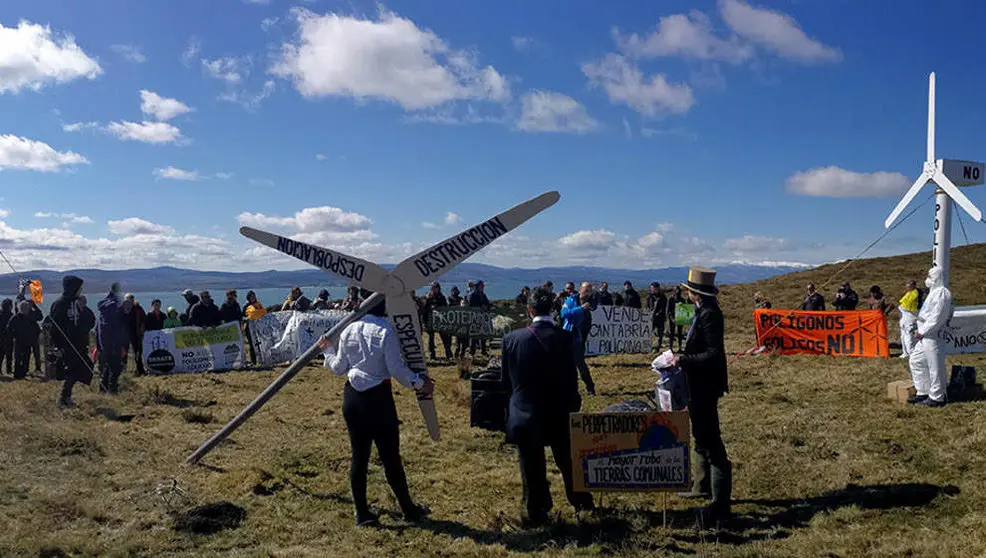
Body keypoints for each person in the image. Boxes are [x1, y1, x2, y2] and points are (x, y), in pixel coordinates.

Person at [317, 296, 435, 527]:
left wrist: (327, 352)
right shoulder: (386, 331)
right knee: (390, 456)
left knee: (359, 456)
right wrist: (420, 383)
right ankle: (408, 510)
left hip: (352, 397)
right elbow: (396, 369)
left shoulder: (349, 329)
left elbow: (339, 368)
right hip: (378, 399)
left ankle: (362, 513)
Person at [501, 287, 595, 526]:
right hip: (560, 412)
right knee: (568, 462)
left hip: (525, 413)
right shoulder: (565, 338)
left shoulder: (512, 339)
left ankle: (536, 510)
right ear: (553, 310)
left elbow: (506, 382)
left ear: (529, 309)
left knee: (531, 468)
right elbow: (571, 378)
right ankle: (582, 504)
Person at [671, 267, 731, 524]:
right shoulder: (702, 312)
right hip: (697, 385)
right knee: (699, 433)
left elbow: (713, 354)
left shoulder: (709, 315)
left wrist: (683, 360)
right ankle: (701, 484)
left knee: (712, 439)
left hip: (705, 385)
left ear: (694, 292)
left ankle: (720, 502)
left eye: (689, 290)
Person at [908, 267, 954, 408]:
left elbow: (936, 318)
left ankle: (937, 397)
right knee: (916, 360)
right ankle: (923, 391)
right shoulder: (933, 292)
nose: (927, 278)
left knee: (935, 366)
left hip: (932, 335)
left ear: (936, 277)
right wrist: (920, 329)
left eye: (929, 275)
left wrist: (923, 331)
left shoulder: (941, 293)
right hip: (924, 334)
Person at [49, 276, 96, 408]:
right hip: (66, 345)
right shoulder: (60, 304)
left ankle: (66, 397)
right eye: (79, 288)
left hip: (79, 344)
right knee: (72, 370)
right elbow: (55, 327)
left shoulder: (75, 303)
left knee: (83, 368)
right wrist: (58, 346)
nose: (81, 290)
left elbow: (83, 321)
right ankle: (63, 399)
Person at [561, 282, 596, 395]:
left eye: (590, 291)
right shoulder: (571, 300)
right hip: (568, 334)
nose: (588, 293)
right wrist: (580, 308)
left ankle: (590, 387)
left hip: (578, 336)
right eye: (586, 290)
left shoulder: (590, 302)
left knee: (580, 363)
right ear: (580, 290)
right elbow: (564, 313)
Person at [97, 283, 128, 394]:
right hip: (112, 341)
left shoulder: (106, 305)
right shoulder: (113, 306)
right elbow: (114, 326)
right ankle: (112, 390)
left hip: (106, 341)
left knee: (109, 365)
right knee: (116, 367)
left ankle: (103, 388)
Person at [8, 300, 41, 380]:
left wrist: (34, 306)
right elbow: (9, 327)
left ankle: (24, 372)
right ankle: (17, 374)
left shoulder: (32, 315)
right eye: (23, 308)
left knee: (26, 357)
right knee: (18, 358)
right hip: (19, 341)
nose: (25, 309)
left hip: (29, 341)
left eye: (27, 308)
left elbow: (40, 317)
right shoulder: (16, 317)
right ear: (20, 308)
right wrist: (14, 336)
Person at [423, 282, 452, 360]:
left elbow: (446, 309)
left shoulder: (442, 298)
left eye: (436, 288)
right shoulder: (428, 298)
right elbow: (424, 310)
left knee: (445, 338)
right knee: (431, 339)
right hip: (431, 322)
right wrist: (425, 322)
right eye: (433, 288)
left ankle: (449, 355)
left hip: (440, 322)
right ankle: (432, 355)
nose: (435, 289)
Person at [897, 280, 923, 358]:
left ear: (913, 286)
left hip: (910, 315)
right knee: (903, 335)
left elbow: (908, 304)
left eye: (909, 286)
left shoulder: (915, 293)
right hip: (904, 316)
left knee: (908, 335)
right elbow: (902, 301)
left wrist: (901, 307)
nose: (907, 288)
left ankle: (911, 353)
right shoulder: (909, 292)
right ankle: (905, 352)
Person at [124, 294, 147, 376]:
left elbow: (144, 319)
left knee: (138, 352)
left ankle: (140, 370)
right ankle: (123, 371)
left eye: (132, 299)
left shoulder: (138, 308)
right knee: (123, 353)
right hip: (124, 335)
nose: (130, 301)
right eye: (128, 299)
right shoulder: (121, 309)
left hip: (136, 334)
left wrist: (142, 327)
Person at [242, 291, 267, 366]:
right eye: (251, 296)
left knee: (260, 344)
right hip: (249, 328)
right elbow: (244, 316)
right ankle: (253, 361)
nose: (253, 298)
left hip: (258, 327)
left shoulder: (259, 304)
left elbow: (264, 312)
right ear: (248, 298)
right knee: (252, 345)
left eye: (254, 296)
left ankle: (261, 360)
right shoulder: (246, 306)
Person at [468, 281, 491, 357]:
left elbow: (487, 303)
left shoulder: (483, 295)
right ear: (477, 286)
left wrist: (486, 306)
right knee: (474, 335)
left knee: (483, 335)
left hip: (483, 318)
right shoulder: (473, 295)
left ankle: (483, 350)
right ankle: (472, 351)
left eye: (483, 286)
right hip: (474, 318)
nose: (483, 287)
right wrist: (480, 306)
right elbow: (471, 305)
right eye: (481, 286)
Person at [646, 282, 668, 351]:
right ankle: (648, 346)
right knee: (648, 332)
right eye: (651, 288)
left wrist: (657, 314)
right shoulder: (649, 297)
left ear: (658, 288)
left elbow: (663, 308)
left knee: (660, 333)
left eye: (654, 288)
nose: (653, 289)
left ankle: (658, 347)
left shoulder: (663, 297)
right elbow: (647, 306)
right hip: (651, 318)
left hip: (660, 318)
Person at [667, 286, 687, 351]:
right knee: (671, 333)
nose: (677, 293)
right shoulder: (671, 299)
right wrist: (672, 319)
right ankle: (670, 347)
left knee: (680, 333)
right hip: (672, 317)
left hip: (680, 317)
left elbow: (685, 310)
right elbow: (668, 310)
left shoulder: (683, 300)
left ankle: (680, 347)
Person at [0, 299, 13, 375]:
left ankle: (9, 370)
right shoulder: (9, 315)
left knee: (7, 354)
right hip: (4, 337)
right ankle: (9, 370)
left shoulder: (10, 315)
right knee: (6, 355)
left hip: (7, 337)